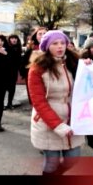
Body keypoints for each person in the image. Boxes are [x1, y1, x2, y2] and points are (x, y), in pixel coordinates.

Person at [28, 30, 84, 175]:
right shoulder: (37, 68)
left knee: (73, 159)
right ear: (47, 46)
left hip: (72, 120)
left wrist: (89, 68)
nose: (60, 47)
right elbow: (38, 102)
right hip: (48, 123)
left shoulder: (75, 63)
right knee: (51, 163)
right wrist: (58, 125)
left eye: (62, 43)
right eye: (55, 43)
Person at [20, 27, 47, 104]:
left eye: (44, 33)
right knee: (36, 101)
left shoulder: (51, 48)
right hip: (33, 78)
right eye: (40, 34)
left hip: (49, 78)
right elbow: (24, 64)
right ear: (36, 36)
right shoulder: (31, 50)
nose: (42, 35)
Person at [4, 34, 22, 110]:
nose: (14, 40)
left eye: (15, 38)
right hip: (5, 71)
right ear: (9, 40)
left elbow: (19, 60)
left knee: (12, 88)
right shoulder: (6, 47)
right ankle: (3, 103)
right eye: (12, 38)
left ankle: (10, 103)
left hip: (13, 71)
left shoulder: (18, 48)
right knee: (4, 88)